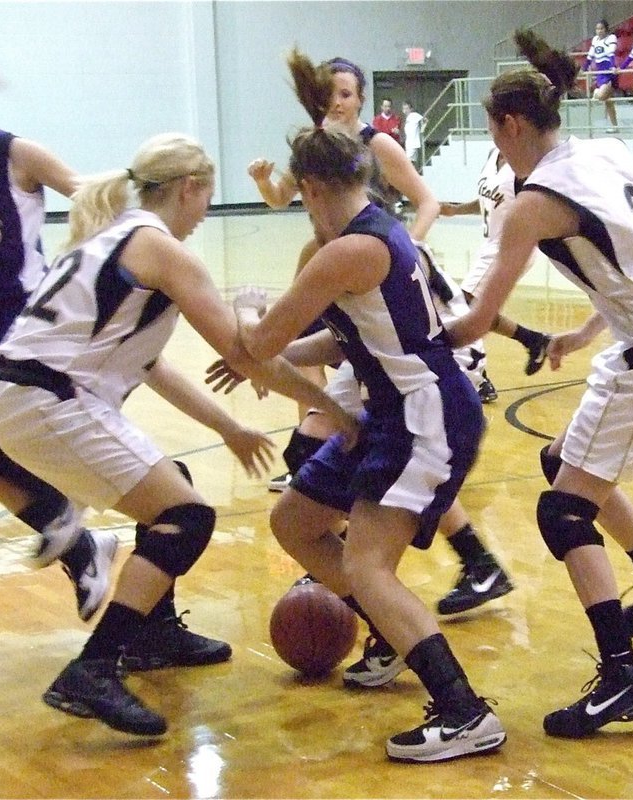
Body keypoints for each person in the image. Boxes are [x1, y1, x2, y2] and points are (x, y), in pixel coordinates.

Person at [0, 132, 358, 736]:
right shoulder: (162, 251)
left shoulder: (108, 238)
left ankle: (153, 632)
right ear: (189, 190)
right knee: (186, 516)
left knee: (173, 483)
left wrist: (230, 426)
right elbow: (246, 351)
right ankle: (95, 668)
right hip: (49, 399)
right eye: (206, 198)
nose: (206, 213)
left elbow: (152, 367)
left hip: (26, 396)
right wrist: (329, 406)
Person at [447, 29, 633, 739]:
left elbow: (477, 318)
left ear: (511, 125)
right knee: (561, 464)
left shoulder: (532, 203)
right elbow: (630, 258)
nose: (497, 154)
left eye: (494, 136)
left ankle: (622, 674)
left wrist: (403, 338)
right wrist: (580, 334)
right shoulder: (603, 152)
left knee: (562, 512)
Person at [232, 97, 507, 760]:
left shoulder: (345, 252)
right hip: (390, 412)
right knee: (295, 522)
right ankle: (387, 635)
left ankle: (464, 712)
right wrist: (279, 353)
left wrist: (240, 312)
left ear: (311, 188)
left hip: (423, 415)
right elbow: (343, 341)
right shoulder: (381, 227)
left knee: (366, 562)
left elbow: (258, 340)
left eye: (298, 197)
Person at [0, 46, 116, 622]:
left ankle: (63, 516)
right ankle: (77, 543)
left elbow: (89, 195)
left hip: (22, 314)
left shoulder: (15, 153)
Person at [248, 50, 440, 489]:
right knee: (302, 343)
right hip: (324, 259)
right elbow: (281, 197)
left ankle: (395, 450)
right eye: (329, 94)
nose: (336, 102)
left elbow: (427, 200)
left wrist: (411, 245)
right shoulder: (312, 146)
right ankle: (311, 450)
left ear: (360, 100)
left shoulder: (377, 144)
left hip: (370, 271)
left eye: (346, 94)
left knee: (362, 360)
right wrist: (262, 180)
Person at [439, 145, 552, 401]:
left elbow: (538, 207)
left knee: (463, 307)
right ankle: (533, 340)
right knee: (475, 309)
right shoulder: (493, 155)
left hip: (510, 246)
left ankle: (479, 381)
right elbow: (488, 201)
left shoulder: (523, 165)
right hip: (490, 245)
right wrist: (455, 209)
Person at [583, 20, 619, 131]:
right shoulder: (595, 40)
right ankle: (615, 126)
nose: (599, 31)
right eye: (597, 29)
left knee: (602, 96)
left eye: (601, 28)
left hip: (609, 71)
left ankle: (596, 92)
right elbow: (590, 56)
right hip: (600, 72)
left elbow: (611, 53)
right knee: (608, 101)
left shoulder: (611, 38)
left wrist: (613, 66)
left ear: (606, 29)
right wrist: (584, 68)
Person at [401, 100, 426, 171]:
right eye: (404, 109)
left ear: (411, 109)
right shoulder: (407, 118)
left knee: (407, 161)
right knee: (412, 162)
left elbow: (425, 120)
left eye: (407, 109)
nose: (405, 111)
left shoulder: (414, 115)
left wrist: (422, 129)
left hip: (413, 143)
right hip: (409, 143)